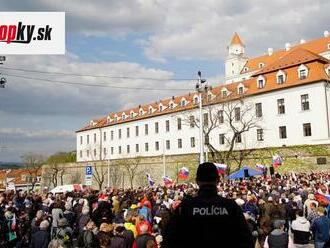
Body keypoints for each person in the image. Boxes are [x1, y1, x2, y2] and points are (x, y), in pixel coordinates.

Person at [162, 162, 254, 248]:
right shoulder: (230, 206)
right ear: (218, 180)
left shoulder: (185, 208)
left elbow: (168, 240)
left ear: (197, 181)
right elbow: (247, 240)